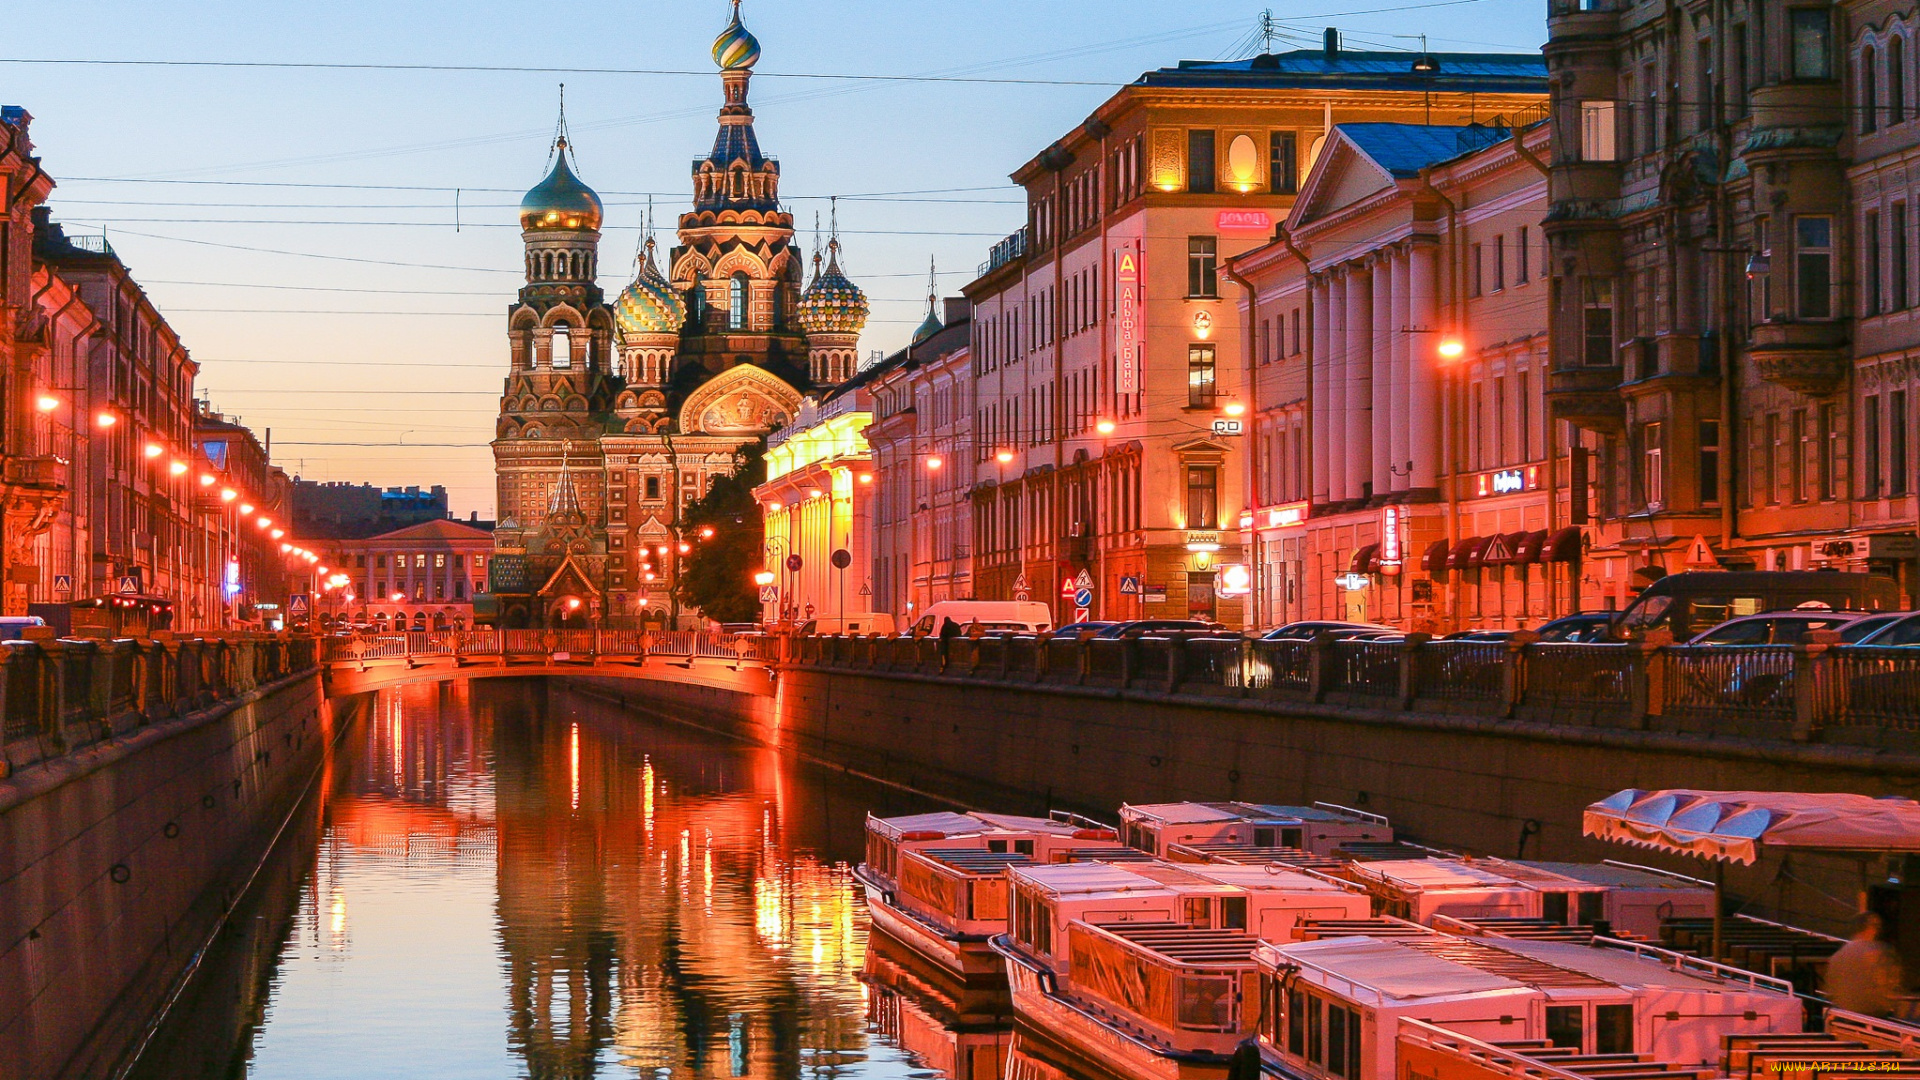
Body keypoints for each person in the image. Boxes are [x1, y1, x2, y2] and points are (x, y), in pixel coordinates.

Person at [1827, 912, 1904, 1016]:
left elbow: (1831, 989)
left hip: (1845, 1014)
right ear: (1871, 928)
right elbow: (1887, 984)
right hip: (1874, 1015)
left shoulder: (1838, 956)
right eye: (1876, 926)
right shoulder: (1878, 952)